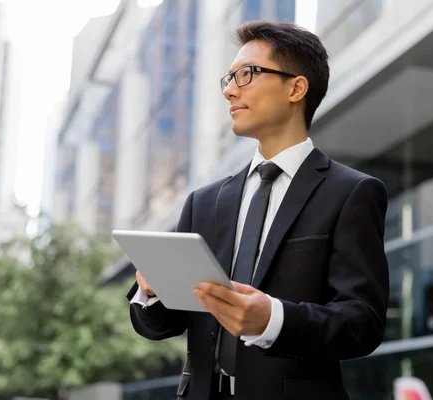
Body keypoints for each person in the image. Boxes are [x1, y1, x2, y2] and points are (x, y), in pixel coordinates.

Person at [126, 20, 389, 400]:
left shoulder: (351, 193)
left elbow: (362, 323)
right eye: (229, 78)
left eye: (246, 74)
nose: (230, 91)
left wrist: (274, 320)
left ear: (296, 88)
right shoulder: (204, 202)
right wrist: (151, 293)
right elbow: (161, 325)